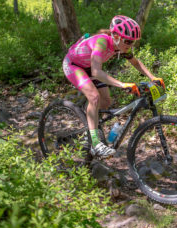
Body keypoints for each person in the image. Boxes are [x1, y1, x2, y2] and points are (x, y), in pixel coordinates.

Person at [62, 15, 165, 158]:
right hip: (74, 65)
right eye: (128, 41)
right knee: (94, 97)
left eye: (133, 42)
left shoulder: (122, 46)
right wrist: (122, 84)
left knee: (106, 101)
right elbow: (96, 71)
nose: (130, 45)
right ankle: (95, 143)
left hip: (88, 67)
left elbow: (136, 63)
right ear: (116, 36)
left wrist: (153, 77)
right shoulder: (102, 42)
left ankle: (89, 128)